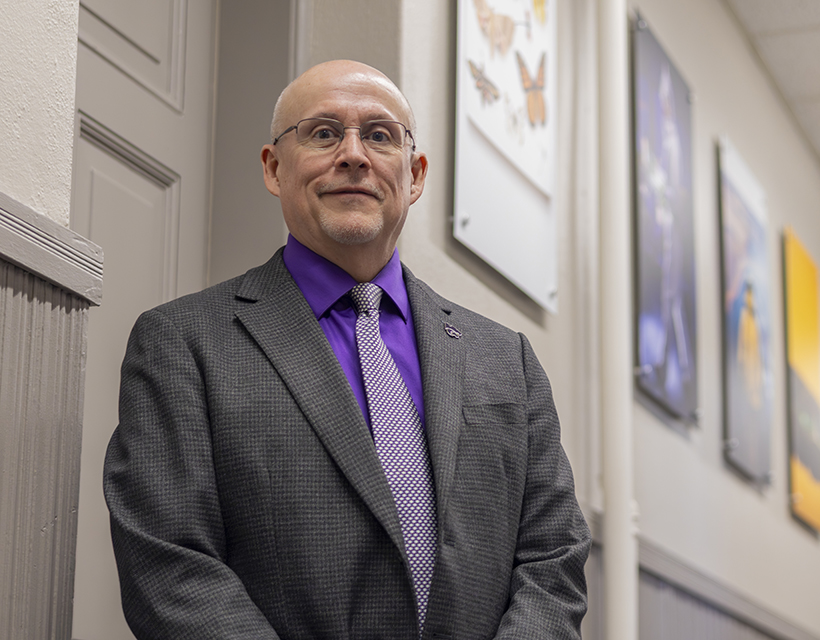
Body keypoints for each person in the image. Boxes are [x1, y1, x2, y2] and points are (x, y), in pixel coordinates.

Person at [103, 59, 590, 639]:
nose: (354, 154)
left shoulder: (506, 361)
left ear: (414, 174)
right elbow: (170, 565)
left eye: (379, 135)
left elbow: (552, 558)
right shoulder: (183, 345)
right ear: (274, 167)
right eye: (324, 132)